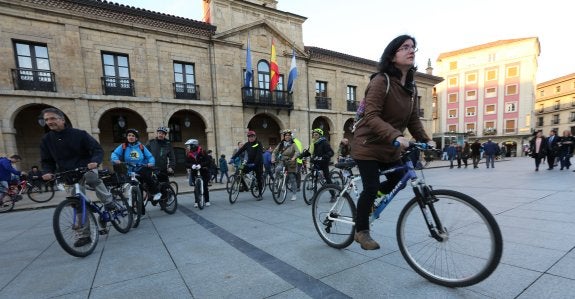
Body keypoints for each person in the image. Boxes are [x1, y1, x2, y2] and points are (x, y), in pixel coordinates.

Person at [350, 35, 434, 250]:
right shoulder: (381, 81)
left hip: (389, 147)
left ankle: (371, 202)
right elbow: (371, 116)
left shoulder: (411, 88)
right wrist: (396, 136)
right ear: (392, 54)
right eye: (405, 47)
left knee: (400, 177)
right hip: (367, 144)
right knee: (370, 186)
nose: (411, 50)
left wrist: (426, 140)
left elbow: (413, 119)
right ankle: (361, 232)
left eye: (413, 47)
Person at [39, 107, 113, 248]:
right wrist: (47, 171)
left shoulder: (79, 134)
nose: (49, 122)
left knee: (92, 178)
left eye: (53, 118)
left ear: (62, 119)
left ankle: (108, 201)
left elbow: (97, 149)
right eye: (46, 119)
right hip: (68, 173)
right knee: (77, 204)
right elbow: (46, 160)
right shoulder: (46, 140)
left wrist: (95, 162)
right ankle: (84, 235)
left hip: (86, 167)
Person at [111, 128, 162, 201]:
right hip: (129, 169)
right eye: (129, 135)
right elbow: (115, 153)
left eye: (133, 136)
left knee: (147, 176)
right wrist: (115, 160)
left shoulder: (141, 146)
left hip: (141, 167)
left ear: (136, 138)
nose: (131, 137)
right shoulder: (123, 146)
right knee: (131, 182)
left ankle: (156, 192)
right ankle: (139, 200)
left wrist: (151, 163)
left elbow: (150, 156)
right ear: (127, 137)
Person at [230, 130, 264, 200]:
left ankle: (260, 194)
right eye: (249, 137)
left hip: (258, 164)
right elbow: (240, 151)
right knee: (239, 170)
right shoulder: (247, 144)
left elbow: (259, 155)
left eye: (252, 136)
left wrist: (255, 163)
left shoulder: (258, 143)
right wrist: (233, 158)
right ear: (248, 137)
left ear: (255, 137)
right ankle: (245, 186)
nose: (251, 138)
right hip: (249, 163)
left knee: (259, 178)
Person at [300, 128, 334, 196]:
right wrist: (301, 156)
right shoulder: (313, 143)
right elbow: (309, 152)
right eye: (313, 135)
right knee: (314, 179)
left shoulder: (324, 142)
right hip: (316, 162)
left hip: (324, 162)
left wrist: (325, 156)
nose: (314, 136)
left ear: (320, 136)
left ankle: (333, 195)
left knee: (327, 178)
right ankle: (315, 196)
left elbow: (331, 152)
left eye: (316, 135)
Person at [271, 129, 300, 201]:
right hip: (282, 161)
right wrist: (273, 158)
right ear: (284, 136)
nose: (287, 136)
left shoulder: (293, 144)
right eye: (286, 135)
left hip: (290, 161)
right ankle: (279, 181)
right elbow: (275, 151)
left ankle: (294, 194)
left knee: (292, 177)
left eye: (288, 135)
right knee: (277, 169)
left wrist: (294, 157)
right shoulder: (281, 144)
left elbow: (297, 152)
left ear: (290, 136)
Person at [184, 139, 211, 207]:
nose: (188, 147)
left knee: (204, 186)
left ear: (194, 145)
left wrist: (201, 165)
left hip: (203, 171)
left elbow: (208, 161)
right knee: (196, 188)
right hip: (194, 172)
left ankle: (207, 200)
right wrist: (191, 165)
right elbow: (186, 163)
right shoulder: (188, 154)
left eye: (189, 146)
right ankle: (196, 201)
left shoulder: (202, 152)